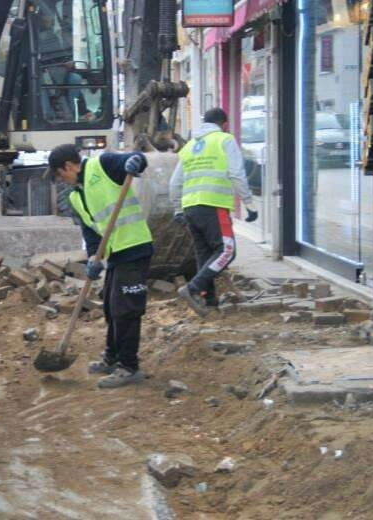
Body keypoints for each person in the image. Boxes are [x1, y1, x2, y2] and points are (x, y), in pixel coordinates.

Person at [48, 144, 153, 389]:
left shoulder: (102, 165)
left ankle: (129, 367)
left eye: (60, 174)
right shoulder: (75, 196)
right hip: (116, 252)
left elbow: (137, 158)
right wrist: (95, 257)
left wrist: (136, 162)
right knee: (110, 306)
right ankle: (112, 357)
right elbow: (91, 232)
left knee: (125, 310)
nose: (61, 180)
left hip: (135, 246)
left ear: (69, 166)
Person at [170, 107, 257, 316]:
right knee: (227, 251)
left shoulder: (190, 146)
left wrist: (177, 209)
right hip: (213, 204)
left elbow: (175, 182)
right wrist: (249, 203)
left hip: (191, 208)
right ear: (224, 124)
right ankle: (192, 289)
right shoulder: (224, 140)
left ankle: (209, 302)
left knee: (205, 255)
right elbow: (236, 173)